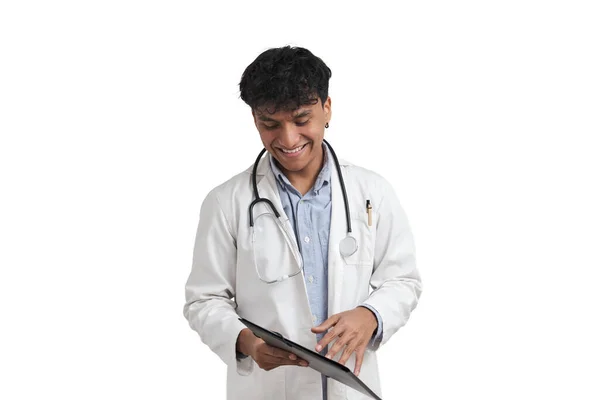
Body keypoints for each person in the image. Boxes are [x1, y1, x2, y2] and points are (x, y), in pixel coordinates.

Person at [183, 46, 422, 400]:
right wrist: (245, 342)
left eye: (301, 119)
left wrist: (370, 315)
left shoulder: (372, 192)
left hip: (350, 388)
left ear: (327, 109)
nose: (288, 139)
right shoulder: (225, 202)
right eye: (270, 124)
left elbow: (403, 280)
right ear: (254, 120)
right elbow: (203, 300)